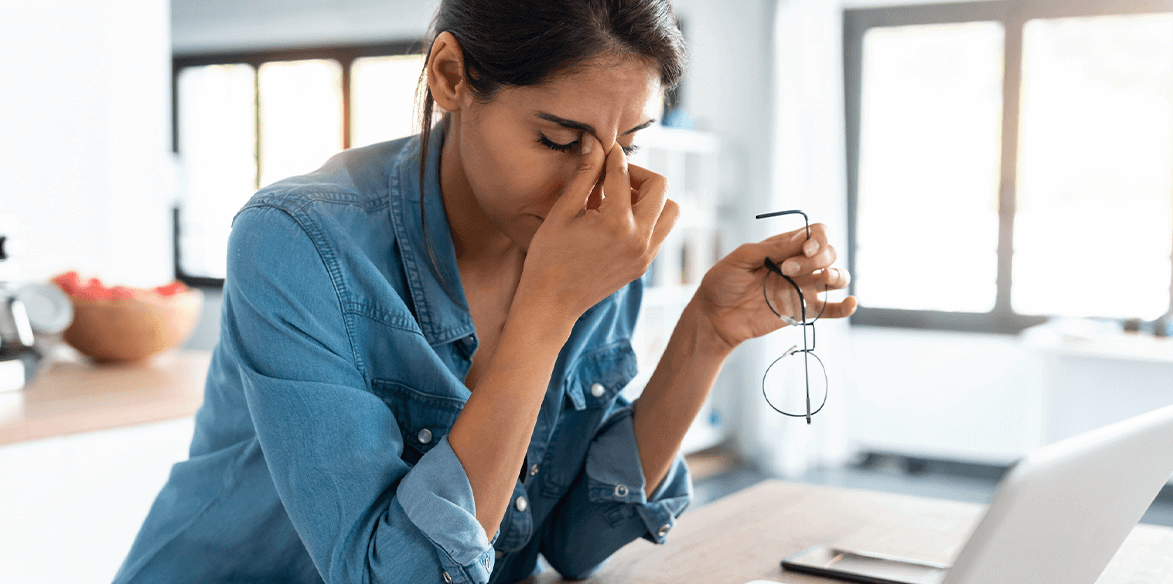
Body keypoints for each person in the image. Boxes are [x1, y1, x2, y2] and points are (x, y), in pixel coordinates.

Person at [114, 1, 857, 582]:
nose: (598, 187)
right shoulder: (298, 242)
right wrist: (547, 311)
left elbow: (573, 540)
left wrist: (706, 334)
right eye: (559, 141)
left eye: (628, 145)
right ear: (449, 75)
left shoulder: (595, 239)